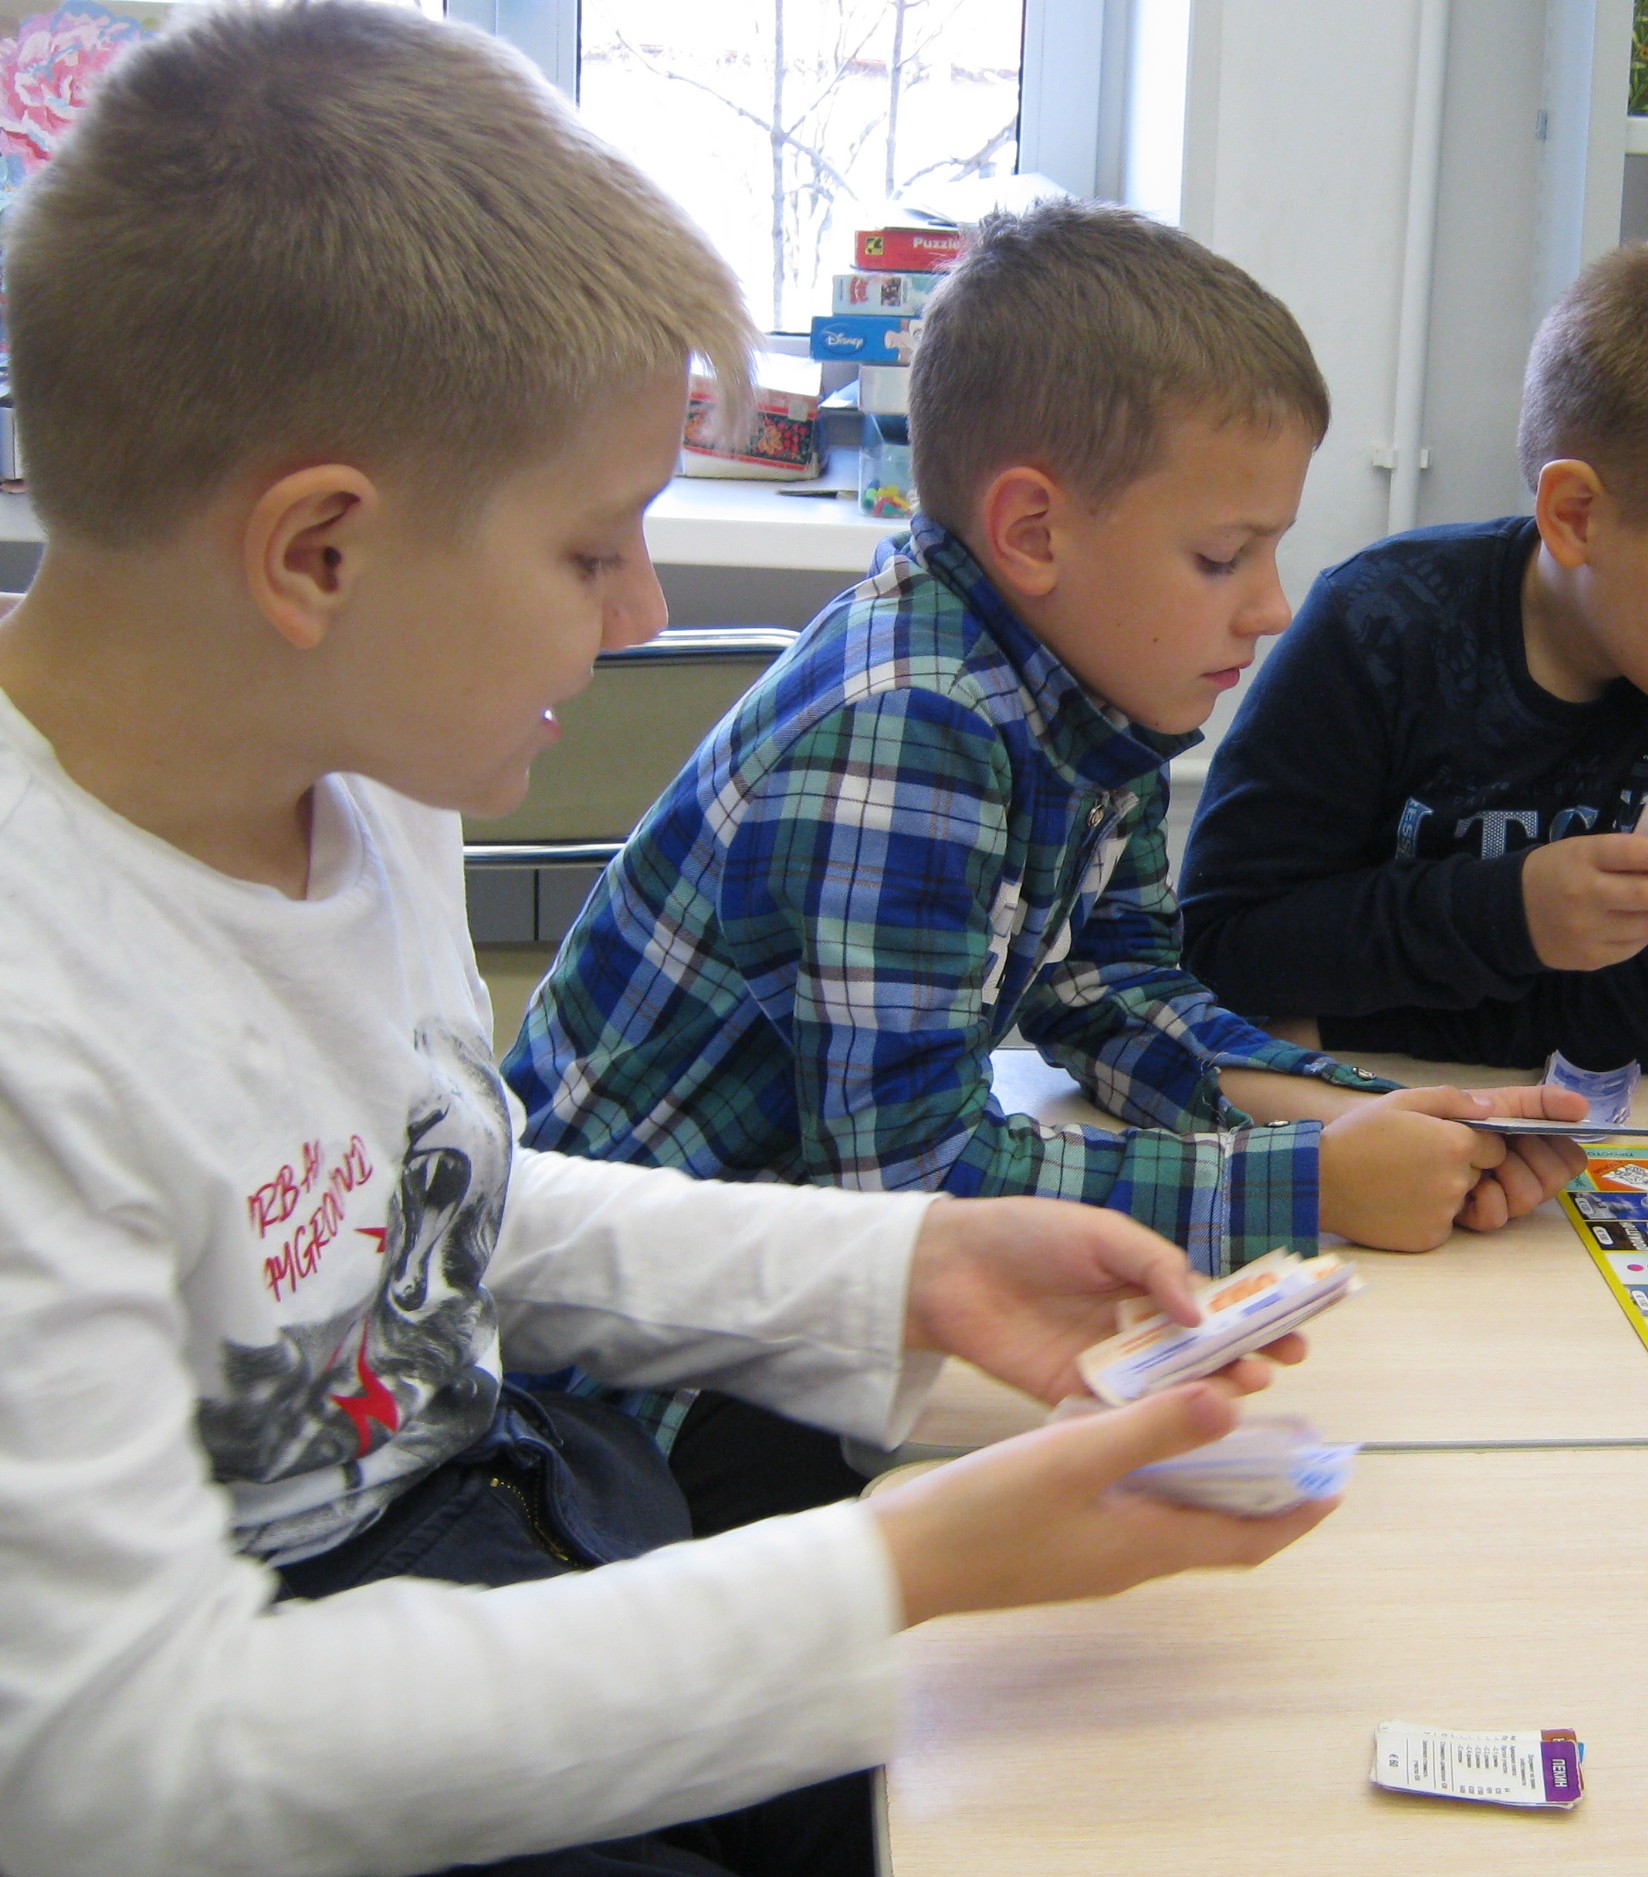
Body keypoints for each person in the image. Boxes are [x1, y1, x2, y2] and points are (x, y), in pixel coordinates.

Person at [0, 11, 1329, 1876]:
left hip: (497, 1510)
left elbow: (429, 1211)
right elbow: (125, 1761)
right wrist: (894, 1565)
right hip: (283, 1729)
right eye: (590, 549)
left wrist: (907, 1267)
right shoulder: (40, 1011)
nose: (640, 609)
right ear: (317, 555)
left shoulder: (350, 769)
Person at [507, 201, 1583, 1521]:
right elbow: (913, 1190)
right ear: (1032, 532)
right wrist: (1307, 1185)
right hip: (623, 1383)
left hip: (785, 1295)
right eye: (1223, 554)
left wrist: (1362, 1117)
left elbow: (1111, 989)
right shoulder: (910, 728)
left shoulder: (1085, 689)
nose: (1272, 604)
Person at [1177, 230, 1648, 1072]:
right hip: (1362, 1104)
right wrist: (1510, 913)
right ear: (1576, 516)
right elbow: (1226, 946)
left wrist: (1339, 1024)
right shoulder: (1381, 626)